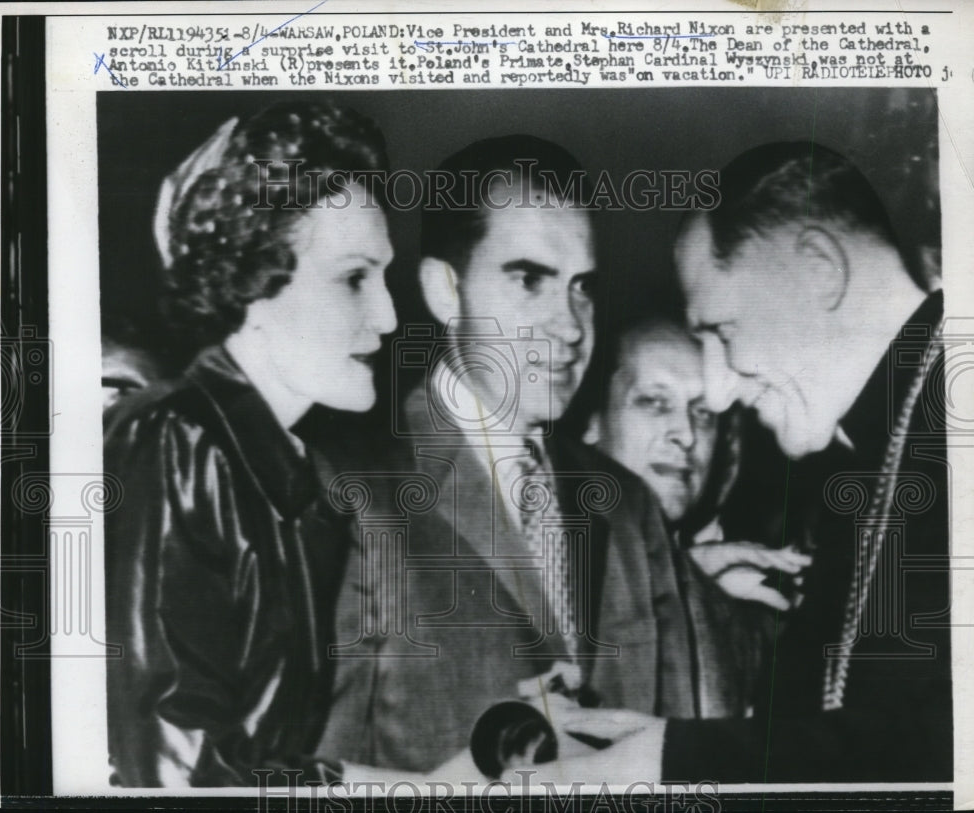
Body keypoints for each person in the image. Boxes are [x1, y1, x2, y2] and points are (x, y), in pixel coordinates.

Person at [527, 141, 951, 783]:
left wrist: (678, 760)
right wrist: (676, 738)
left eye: (722, 331)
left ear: (818, 271)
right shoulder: (869, 451)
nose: (721, 395)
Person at [317, 136, 684, 773]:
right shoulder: (344, 486)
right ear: (444, 291)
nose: (571, 327)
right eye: (529, 280)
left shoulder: (628, 505)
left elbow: (684, 736)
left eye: (582, 287)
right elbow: (308, 767)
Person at [103, 101, 400, 786]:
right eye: (354, 278)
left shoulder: (283, 473)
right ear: (253, 279)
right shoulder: (175, 440)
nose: (386, 316)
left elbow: (255, 769)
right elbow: (170, 774)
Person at [589, 318, 810, 718]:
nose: (686, 434)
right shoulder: (543, 565)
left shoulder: (742, 609)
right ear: (592, 421)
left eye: (704, 413)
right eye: (655, 403)